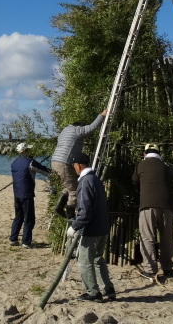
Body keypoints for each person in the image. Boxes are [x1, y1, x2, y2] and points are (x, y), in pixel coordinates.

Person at [66, 152, 116, 302]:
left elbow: (85, 211)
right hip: (103, 227)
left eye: (74, 166)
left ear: (79, 166)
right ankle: (109, 288)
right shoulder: (96, 180)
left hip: (91, 229)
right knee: (98, 259)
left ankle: (93, 293)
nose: (74, 168)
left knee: (85, 261)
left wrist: (74, 226)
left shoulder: (85, 182)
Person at [132, 142, 173, 281]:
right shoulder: (166, 166)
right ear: (159, 153)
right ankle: (168, 268)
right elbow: (172, 178)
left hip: (147, 204)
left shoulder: (140, 165)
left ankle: (150, 270)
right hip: (166, 205)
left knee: (148, 237)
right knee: (166, 237)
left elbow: (134, 180)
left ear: (144, 153)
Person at [51, 110, 107, 218]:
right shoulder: (77, 130)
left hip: (55, 162)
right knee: (74, 191)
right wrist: (102, 116)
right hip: (64, 163)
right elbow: (91, 128)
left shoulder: (65, 131)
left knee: (68, 185)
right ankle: (70, 216)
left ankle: (59, 206)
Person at [9, 142, 51, 249]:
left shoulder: (14, 163)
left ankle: (13, 239)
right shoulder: (30, 162)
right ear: (25, 151)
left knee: (19, 216)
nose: (30, 151)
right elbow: (45, 171)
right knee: (29, 218)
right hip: (27, 193)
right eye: (28, 149)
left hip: (17, 194)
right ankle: (26, 242)